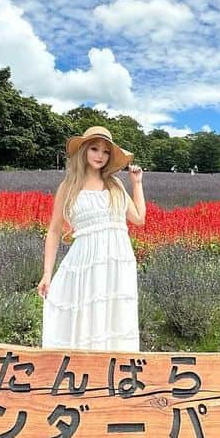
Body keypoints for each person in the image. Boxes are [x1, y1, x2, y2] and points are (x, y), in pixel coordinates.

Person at [38, 125, 145, 351]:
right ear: (84, 151)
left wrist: (137, 184)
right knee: (86, 317)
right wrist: (47, 273)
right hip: (85, 263)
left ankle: (112, 377)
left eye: (106, 152)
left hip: (118, 262)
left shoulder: (114, 185)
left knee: (114, 317)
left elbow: (138, 219)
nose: (100, 156)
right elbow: (54, 230)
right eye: (95, 149)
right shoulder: (68, 187)